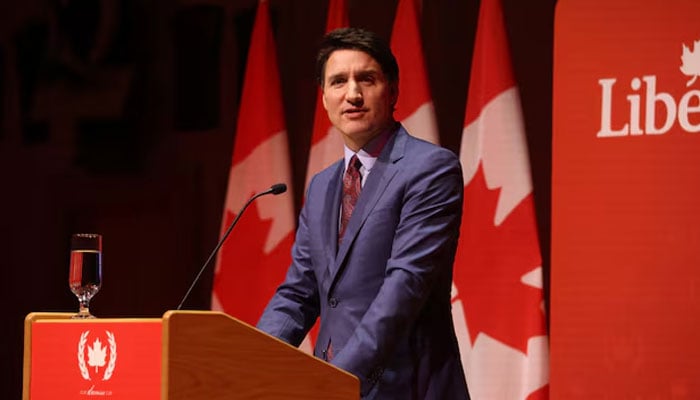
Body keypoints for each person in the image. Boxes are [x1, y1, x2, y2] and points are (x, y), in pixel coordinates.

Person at [257, 27, 470, 399]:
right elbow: (298, 293)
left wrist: (336, 381)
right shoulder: (323, 186)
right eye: (338, 81)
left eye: (366, 79)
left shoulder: (431, 169)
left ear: (393, 91)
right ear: (324, 99)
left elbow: (404, 287)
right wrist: (248, 361)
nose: (352, 94)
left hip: (407, 387)